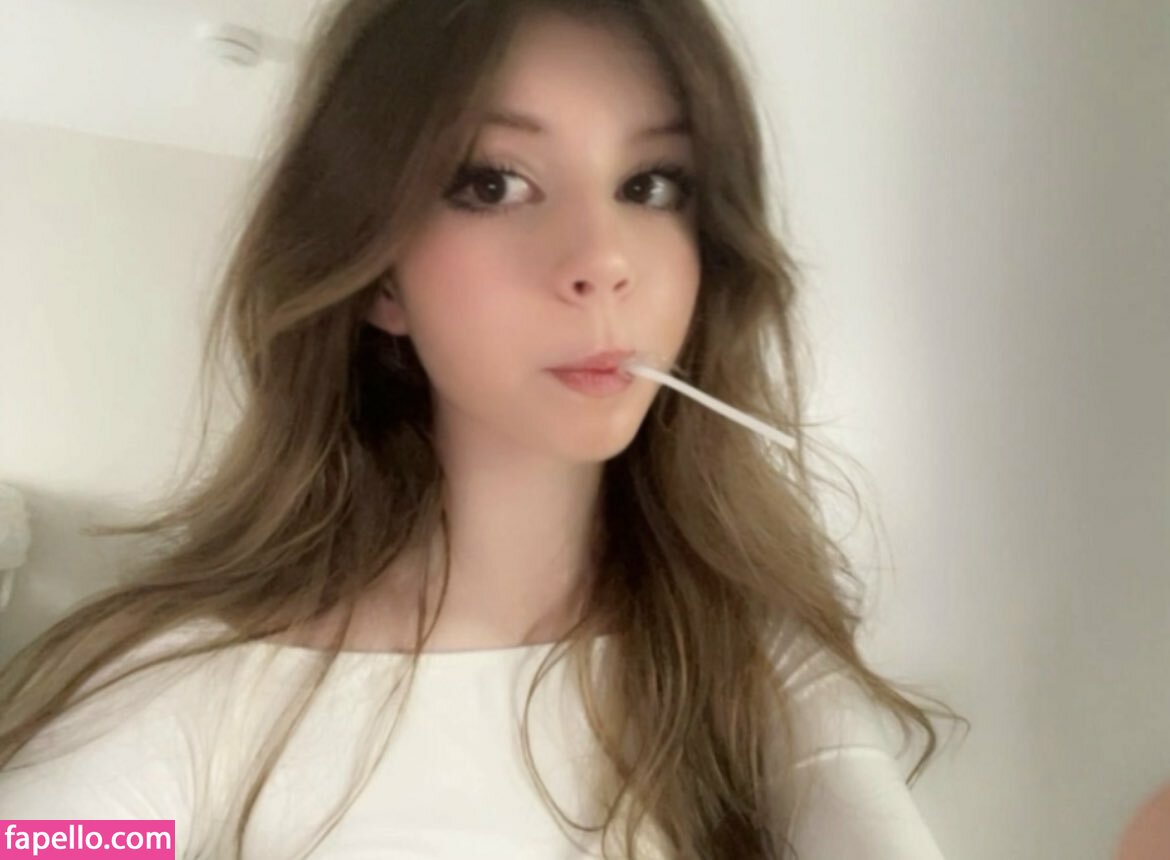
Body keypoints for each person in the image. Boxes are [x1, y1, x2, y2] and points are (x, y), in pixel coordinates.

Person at [0, 0, 966, 857]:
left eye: (652, 184)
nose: (603, 260)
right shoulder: (183, 694)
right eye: (493, 183)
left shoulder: (750, 668)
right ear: (380, 273)